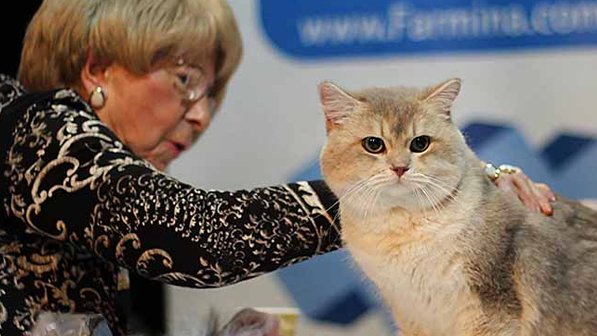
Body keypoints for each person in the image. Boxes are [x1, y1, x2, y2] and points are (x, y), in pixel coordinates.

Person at [0, 0, 555, 334]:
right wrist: (409, 189)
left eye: (214, 94)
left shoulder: (85, 188)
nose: (200, 116)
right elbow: (203, 237)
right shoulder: (34, 127)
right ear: (99, 68)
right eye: (185, 81)